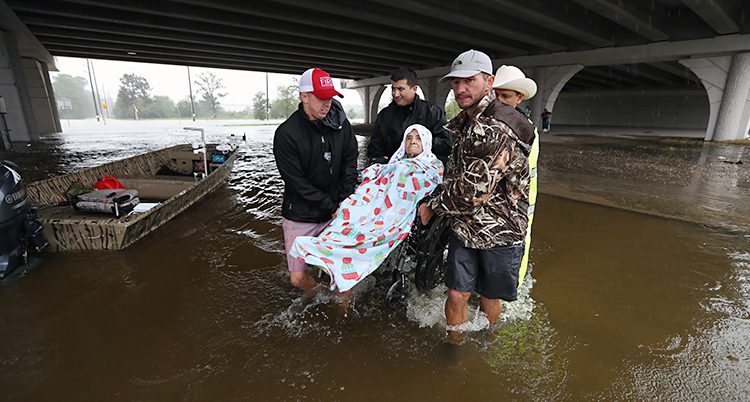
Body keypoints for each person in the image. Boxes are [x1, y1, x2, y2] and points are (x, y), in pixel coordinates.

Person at [417, 50, 535, 341]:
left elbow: (472, 193)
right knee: (457, 294)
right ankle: (455, 348)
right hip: (466, 227)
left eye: (469, 80)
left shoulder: (496, 128)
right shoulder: (469, 121)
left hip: (501, 231)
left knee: (489, 297)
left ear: (489, 82)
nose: (460, 88)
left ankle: (488, 340)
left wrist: (432, 205)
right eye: (456, 82)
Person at [290, 124, 443, 293]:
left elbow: (432, 186)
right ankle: (327, 248)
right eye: (409, 138)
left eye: (418, 138)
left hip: (399, 209)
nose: (413, 142)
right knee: (350, 212)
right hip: (376, 203)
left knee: (373, 228)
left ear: (426, 143)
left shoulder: (432, 166)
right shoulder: (394, 163)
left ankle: (343, 257)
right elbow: (377, 180)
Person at [273, 67, 359, 294]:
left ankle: (342, 311)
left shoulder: (341, 124)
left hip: (337, 210)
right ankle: (318, 295)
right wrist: (329, 206)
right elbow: (295, 182)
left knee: (342, 270)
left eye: (330, 97)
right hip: (301, 213)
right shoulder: (287, 134)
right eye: (321, 98)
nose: (327, 104)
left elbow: (350, 160)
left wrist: (344, 199)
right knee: (298, 278)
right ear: (304, 97)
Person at [492, 65, 540, 302]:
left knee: (518, 245)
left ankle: (512, 292)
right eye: (496, 95)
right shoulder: (488, 122)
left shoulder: (526, 129)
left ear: (519, 97)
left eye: (506, 96)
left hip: (518, 202)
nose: (500, 101)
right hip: (494, 204)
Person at [367, 68, 452, 165]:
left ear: (414, 89)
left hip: (424, 172)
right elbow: (374, 146)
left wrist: (422, 144)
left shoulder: (432, 112)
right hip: (392, 172)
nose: (396, 94)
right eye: (393, 89)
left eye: (400, 89)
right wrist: (380, 160)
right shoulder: (384, 115)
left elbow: (446, 144)